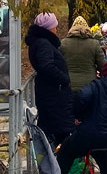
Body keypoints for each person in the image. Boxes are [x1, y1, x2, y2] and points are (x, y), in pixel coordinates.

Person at [53, 61, 107, 174]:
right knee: (100, 142)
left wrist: (79, 116)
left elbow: (81, 97)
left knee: (66, 149)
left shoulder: (97, 85)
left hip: (93, 134)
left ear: (103, 73)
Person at [25, 13, 74, 144]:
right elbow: (46, 66)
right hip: (54, 95)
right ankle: (59, 162)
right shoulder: (44, 43)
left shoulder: (38, 42)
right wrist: (63, 78)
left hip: (50, 93)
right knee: (59, 133)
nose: (56, 29)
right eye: (54, 26)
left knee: (55, 131)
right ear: (48, 28)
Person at [60, 16, 104, 93]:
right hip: (89, 86)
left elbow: (58, 63)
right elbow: (102, 65)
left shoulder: (63, 43)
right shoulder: (94, 44)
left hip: (69, 84)